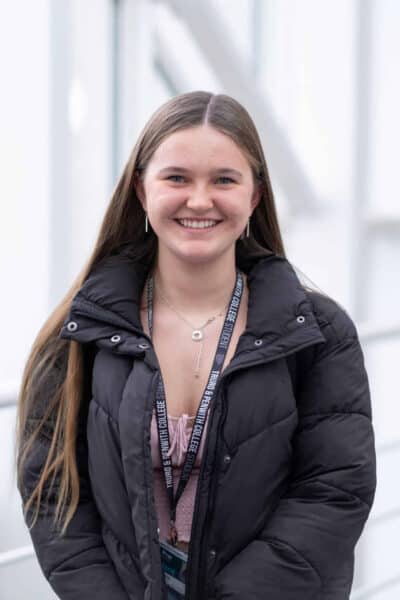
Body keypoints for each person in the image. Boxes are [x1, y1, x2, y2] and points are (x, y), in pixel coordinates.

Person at [16, 90, 376, 600]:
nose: (200, 200)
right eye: (177, 178)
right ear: (142, 191)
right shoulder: (80, 331)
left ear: (253, 197)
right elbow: (52, 494)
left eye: (224, 180)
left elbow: (334, 492)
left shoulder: (319, 333)